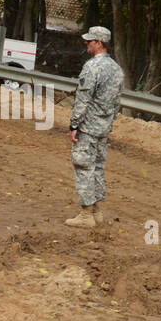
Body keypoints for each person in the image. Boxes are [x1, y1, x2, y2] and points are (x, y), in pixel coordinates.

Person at [64, 26, 124, 228]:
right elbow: (117, 103)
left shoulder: (92, 68)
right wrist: (108, 123)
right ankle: (97, 211)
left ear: (99, 43)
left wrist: (74, 125)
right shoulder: (117, 69)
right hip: (104, 128)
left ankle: (86, 214)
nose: (86, 43)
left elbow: (83, 99)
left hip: (88, 127)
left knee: (83, 167)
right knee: (98, 168)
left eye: (89, 41)